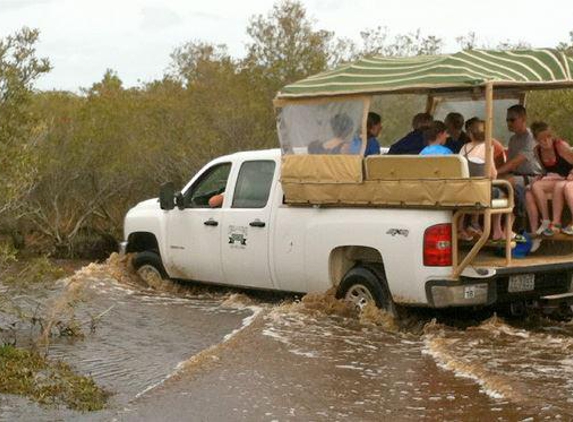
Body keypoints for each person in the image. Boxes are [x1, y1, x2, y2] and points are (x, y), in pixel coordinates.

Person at [459, 119, 506, 241]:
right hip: (480, 194)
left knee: (472, 187)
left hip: (462, 193)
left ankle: (461, 226)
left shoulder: (464, 148)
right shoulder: (487, 149)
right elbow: (493, 174)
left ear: (470, 134)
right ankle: (497, 230)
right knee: (503, 194)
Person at [496, 105, 543, 222]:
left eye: (512, 120)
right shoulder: (513, 140)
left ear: (523, 118)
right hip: (517, 175)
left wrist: (495, 171)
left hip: (534, 177)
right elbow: (509, 164)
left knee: (505, 181)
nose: (509, 123)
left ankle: (516, 219)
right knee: (496, 181)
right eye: (507, 120)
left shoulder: (531, 138)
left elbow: (515, 162)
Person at [525, 121, 573, 236]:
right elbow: (545, 169)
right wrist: (541, 176)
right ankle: (544, 222)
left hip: (568, 177)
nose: (547, 141)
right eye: (542, 139)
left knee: (560, 186)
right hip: (557, 178)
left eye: (549, 136)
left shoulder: (560, 146)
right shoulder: (537, 151)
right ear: (536, 140)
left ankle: (555, 222)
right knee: (532, 188)